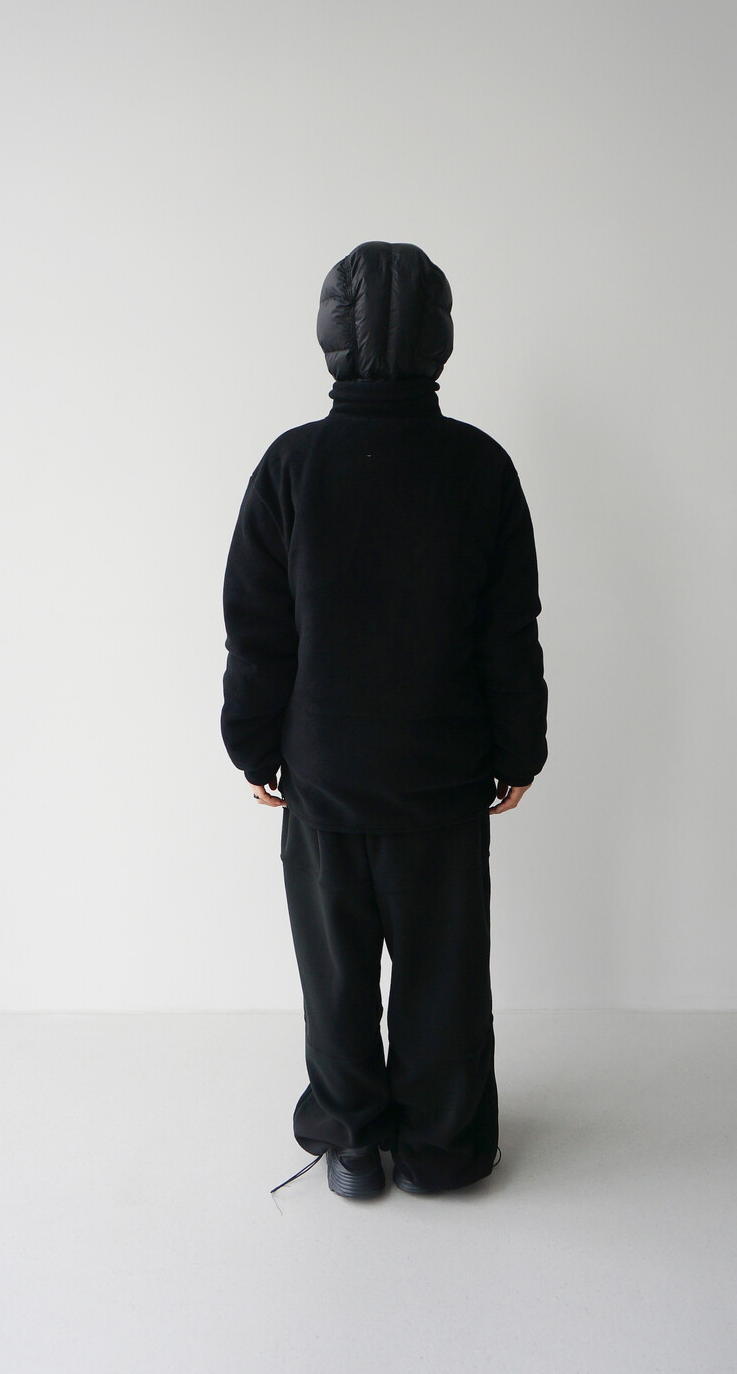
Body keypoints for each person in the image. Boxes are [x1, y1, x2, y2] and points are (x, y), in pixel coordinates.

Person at [221, 241, 548, 1200]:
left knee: (336, 977)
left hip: (324, 780)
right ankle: (442, 1149)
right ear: (440, 335)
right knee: (444, 976)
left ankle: (354, 1144)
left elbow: (258, 628)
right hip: (442, 782)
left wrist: (252, 742)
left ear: (331, 334)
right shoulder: (480, 466)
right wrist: (519, 747)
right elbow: (509, 630)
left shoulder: (291, 465)